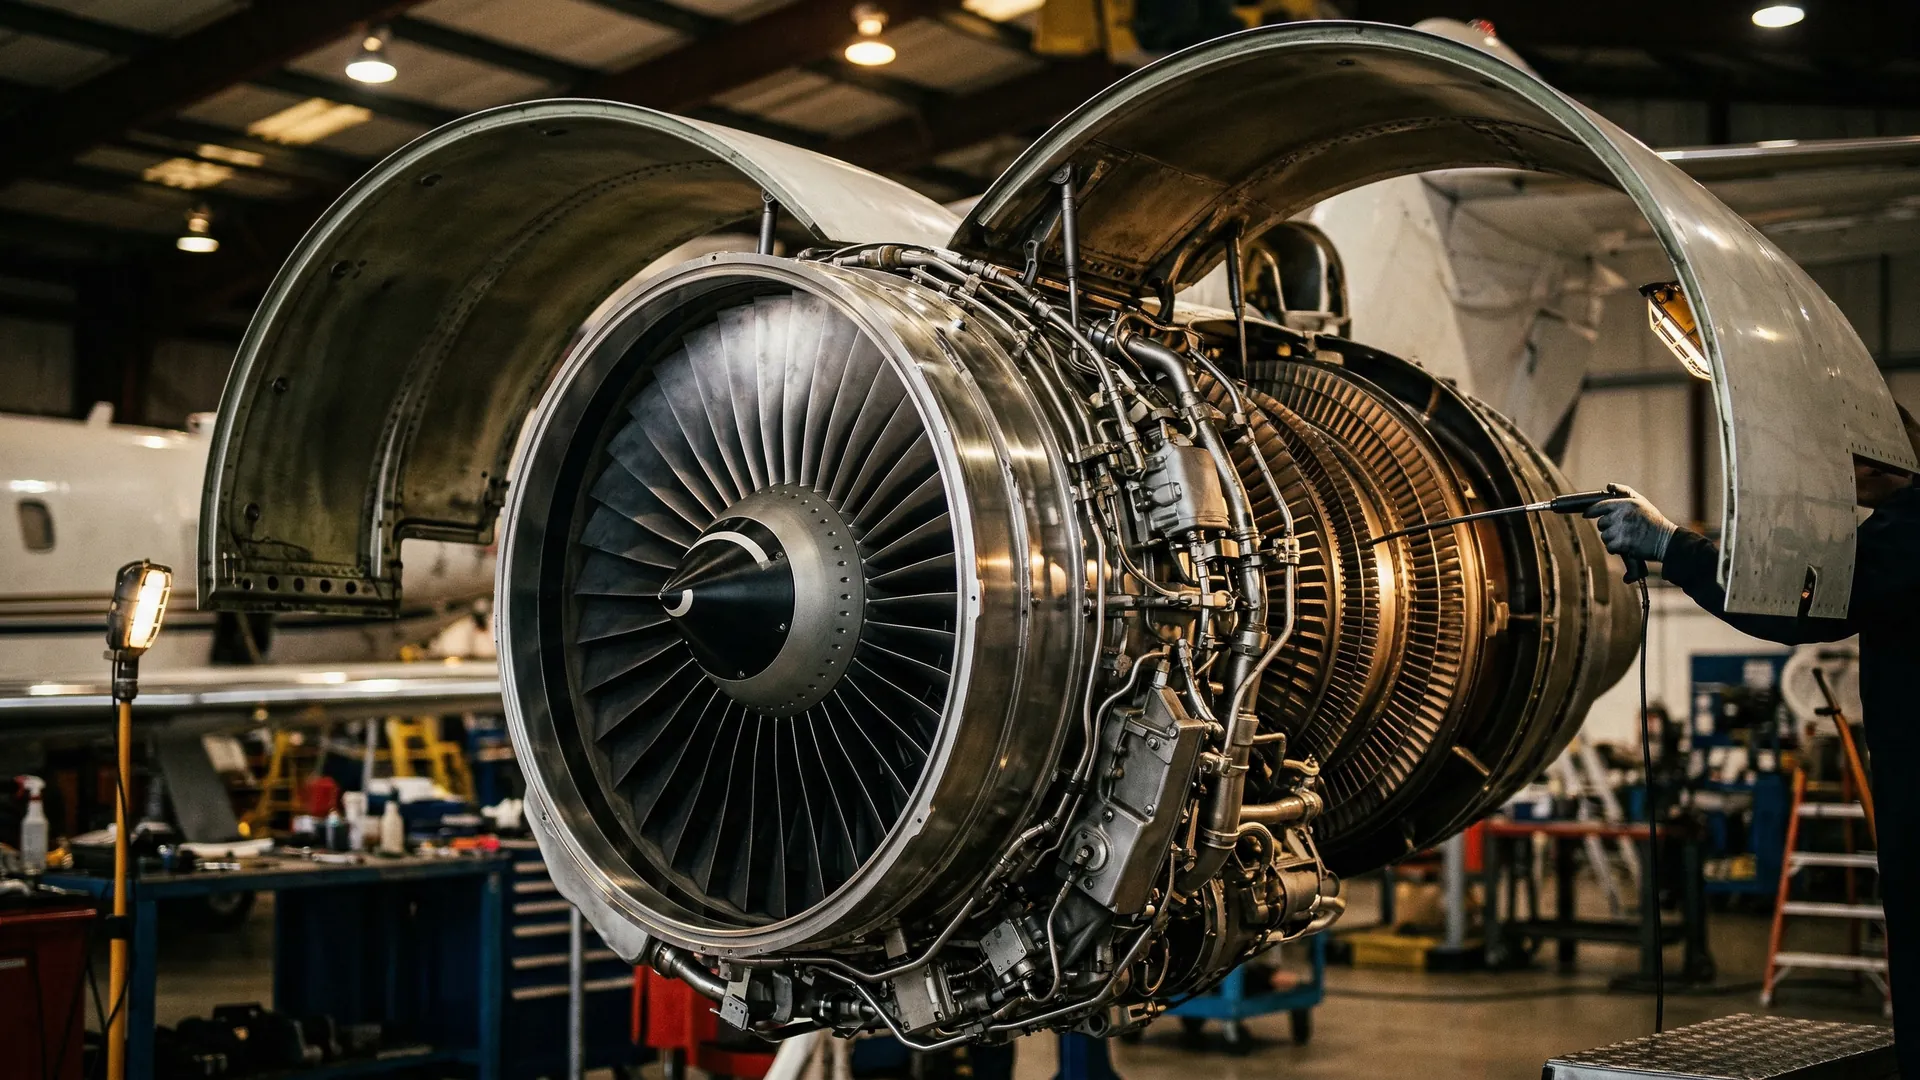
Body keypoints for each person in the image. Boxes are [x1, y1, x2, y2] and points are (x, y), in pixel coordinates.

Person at [1587, 405, 1919, 1067]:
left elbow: (1800, 605)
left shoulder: (1909, 531)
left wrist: (1670, 547)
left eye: (1846, 467)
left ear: (1878, 457)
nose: (1844, 487)